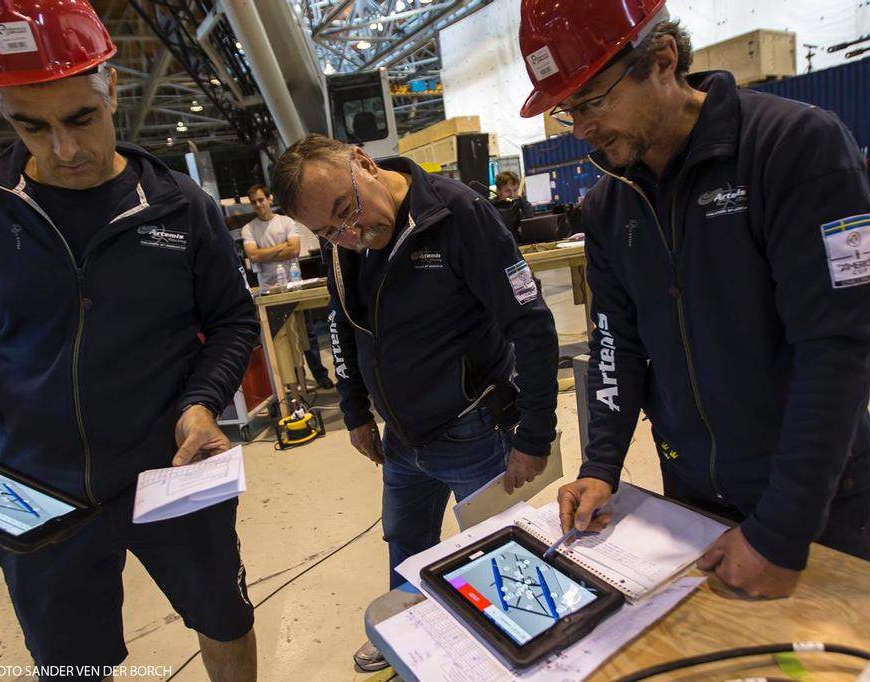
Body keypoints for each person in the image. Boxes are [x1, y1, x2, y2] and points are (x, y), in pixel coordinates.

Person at [0, 1, 259, 679]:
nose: (64, 149)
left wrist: (202, 402)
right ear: (4, 116)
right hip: (33, 485)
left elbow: (232, 320)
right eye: (32, 127)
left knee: (223, 616)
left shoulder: (176, 205)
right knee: (70, 661)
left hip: (170, 472)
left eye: (81, 118)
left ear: (111, 87)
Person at [517, 0, 870, 598]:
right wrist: (601, 466)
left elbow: (836, 349)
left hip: (817, 502)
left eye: (592, 100)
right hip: (693, 501)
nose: (581, 129)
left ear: (662, 59)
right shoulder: (610, 207)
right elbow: (615, 348)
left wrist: (780, 532)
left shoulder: (793, 148)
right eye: (566, 110)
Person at [272, 134, 559, 670]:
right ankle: (408, 634)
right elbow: (343, 323)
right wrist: (355, 408)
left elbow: (532, 326)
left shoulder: (457, 215)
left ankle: (526, 651)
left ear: (363, 162)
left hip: (474, 430)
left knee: (500, 557)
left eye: (346, 211)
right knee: (406, 543)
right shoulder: (343, 243)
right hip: (402, 439)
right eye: (328, 230)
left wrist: (536, 434)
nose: (350, 235)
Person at [241, 183, 333, 390]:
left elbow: (294, 250)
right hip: (269, 291)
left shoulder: (286, 222)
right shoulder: (249, 228)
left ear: (269, 199)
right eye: (254, 202)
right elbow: (253, 255)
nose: (258, 205)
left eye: (261, 200)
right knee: (278, 340)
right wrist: (282, 247)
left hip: (293, 286)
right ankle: (286, 386)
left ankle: (319, 375)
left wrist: (265, 253)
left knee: (307, 334)